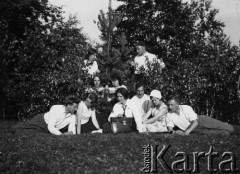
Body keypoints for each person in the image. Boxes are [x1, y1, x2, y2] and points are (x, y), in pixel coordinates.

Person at [166, 95, 234, 136]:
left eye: (172, 105)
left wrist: (185, 133)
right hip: (194, 130)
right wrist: (175, 132)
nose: (169, 107)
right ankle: (221, 126)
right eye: (168, 105)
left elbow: (195, 122)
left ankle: (223, 124)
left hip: (201, 121)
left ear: (177, 103)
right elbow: (170, 130)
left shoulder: (186, 108)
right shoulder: (169, 115)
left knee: (231, 129)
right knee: (225, 134)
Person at [12, 95, 79, 135]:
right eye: (74, 107)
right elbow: (51, 126)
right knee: (17, 128)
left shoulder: (73, 115)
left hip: (48, 129)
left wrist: (70, 133)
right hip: (40, 121)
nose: (76, 109)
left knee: (30, 133)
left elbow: (72, 129)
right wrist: (61, 135)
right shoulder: (56, 108)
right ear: (68, 105)